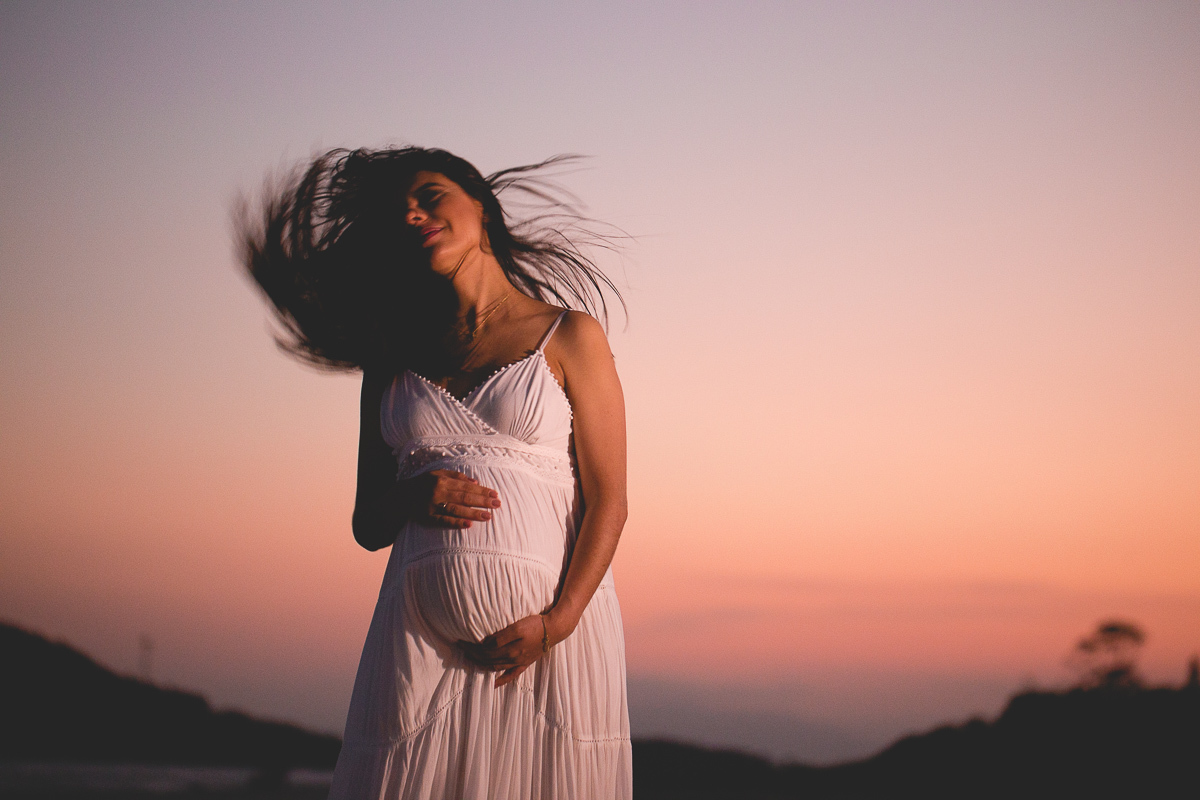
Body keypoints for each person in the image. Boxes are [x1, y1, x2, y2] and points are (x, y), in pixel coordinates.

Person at [239, 147, 632, 798]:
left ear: (480, 204)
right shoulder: (387, 360)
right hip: (417, 654)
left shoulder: (569, 335)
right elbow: (369, 525)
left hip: (543, 653)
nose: (413, 213)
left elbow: (609, 503)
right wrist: (412, 494)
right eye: (400, 212)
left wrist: (557, 624)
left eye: (428, 195)